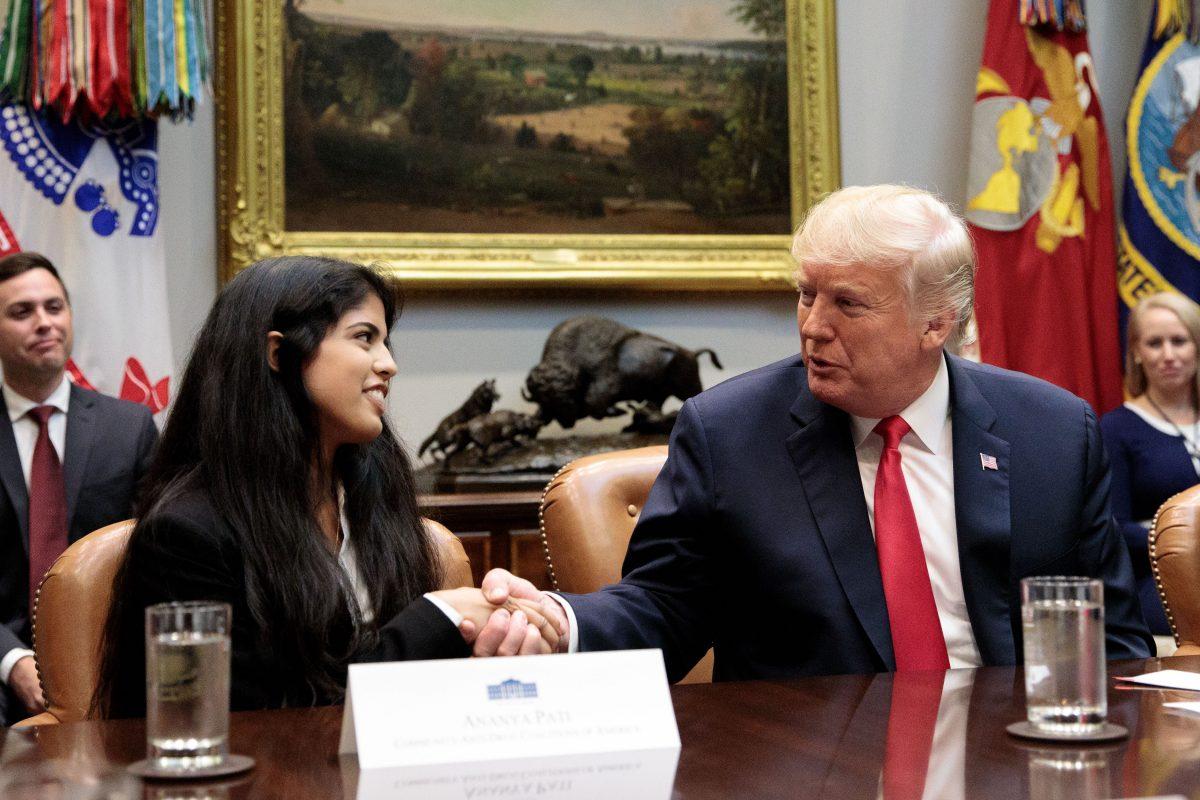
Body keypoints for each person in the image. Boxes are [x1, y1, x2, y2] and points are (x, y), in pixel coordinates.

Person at [477, 184, 1152, 680]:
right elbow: (665, 607)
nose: (812, 326)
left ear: (936, 323)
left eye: (848, 304)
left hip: (1010, 764)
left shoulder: (1054, 434)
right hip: (814, 763)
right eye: (807, 293)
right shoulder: (729, 434)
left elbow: (1115, 644)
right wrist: (562, 622)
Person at [93, 256, 555, 718]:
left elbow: (411, 694)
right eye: (364, 338)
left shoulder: (376, 498)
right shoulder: (186, 535)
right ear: (279, 355)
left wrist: (489, 642)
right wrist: (437, 617)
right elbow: (253, 725)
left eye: (385, 342)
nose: (389, 364)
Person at [0, 252, 158, 726]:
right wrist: (13, 663)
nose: (44, 323)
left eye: (54, 307)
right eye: (21, 312)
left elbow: (159, 555)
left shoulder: (128, 427)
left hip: (109, 651)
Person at [1101, 292, 1200, 635]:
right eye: (1155, 343)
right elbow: (1113, 527)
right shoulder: (1115, 428)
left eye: (1179, 341)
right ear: (1137, 354)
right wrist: (1183, 542)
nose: (1168, 355)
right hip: (1159, 587)